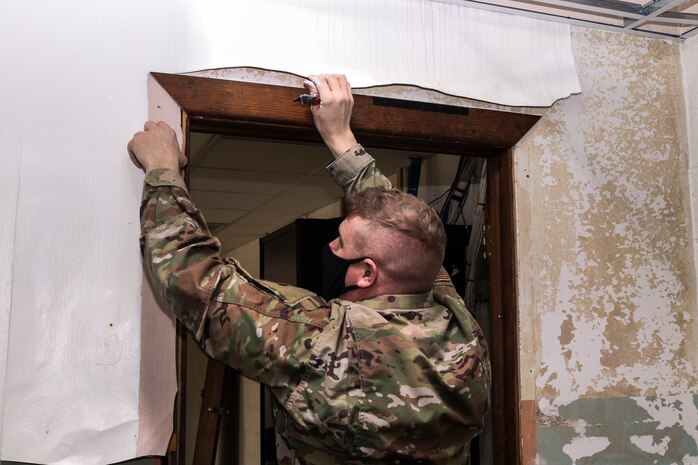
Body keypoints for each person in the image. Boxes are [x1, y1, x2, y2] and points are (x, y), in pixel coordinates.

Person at [128, 74, 490, 465]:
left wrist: (163, 169)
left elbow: (194, 280)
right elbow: (402, 232)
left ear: (367, 274)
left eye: (340, 244)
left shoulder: (318, 339)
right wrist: (340, 136)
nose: (330, 248)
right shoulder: (462, 330)